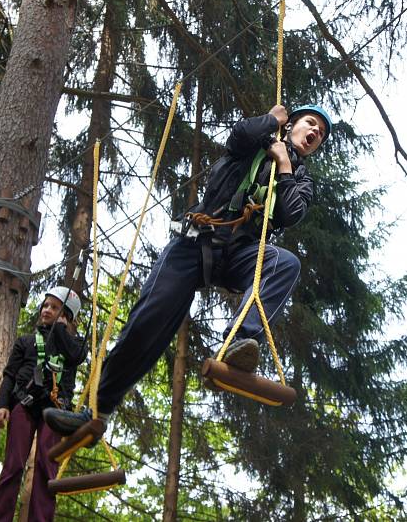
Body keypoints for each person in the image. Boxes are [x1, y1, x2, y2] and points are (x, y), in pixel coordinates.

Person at [43, 104, 332, 440]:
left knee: (285, 263)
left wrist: (284, 164)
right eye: (310, 124)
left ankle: (240, 344)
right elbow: (239, 134)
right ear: (293, 123)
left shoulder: (300, 178)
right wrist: (272, 120)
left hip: (239, 253)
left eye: (321, 134)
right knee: (148, 321)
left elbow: (290, 213)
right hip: (195, 244)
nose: (314, 134)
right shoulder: (255, 142)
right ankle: (97, 410)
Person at [0, 286, 86, 522]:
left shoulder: (75, 345)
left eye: (54, 307)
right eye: (45, 305)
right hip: (25, 402)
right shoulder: (26, 341)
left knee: (46, 469)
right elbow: (10, 375)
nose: (46, 310)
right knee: (13, 465)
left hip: (55, 410)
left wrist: (62, 328)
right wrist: (3, 405)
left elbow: (74, 356)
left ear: (67, 316)